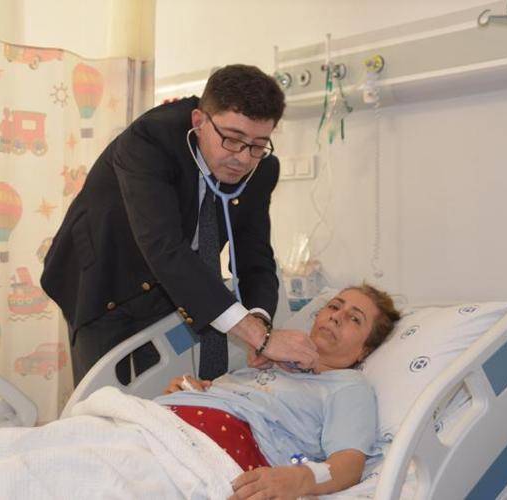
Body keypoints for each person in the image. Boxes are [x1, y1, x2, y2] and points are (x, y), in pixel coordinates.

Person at [41, 64, 319, 385]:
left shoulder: (262, 170)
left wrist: (260, 321)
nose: (243, 158)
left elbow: (254, 257)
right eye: (233, 139)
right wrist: (260, 338)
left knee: (159, 389)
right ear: (199, 122)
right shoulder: (149, 141)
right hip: (102, 277)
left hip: (171, 283)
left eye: (258, 145)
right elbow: (164, 246)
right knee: (105, 397)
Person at [155, 284, 402, 499]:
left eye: (355, 319)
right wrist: (188, 392)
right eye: (334, 306)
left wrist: (299, 479)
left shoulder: (348, 385)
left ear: (365, 350)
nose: (337, 316)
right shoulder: (269, 357)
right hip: (166, 420)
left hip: (221, 446)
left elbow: (349, 464)